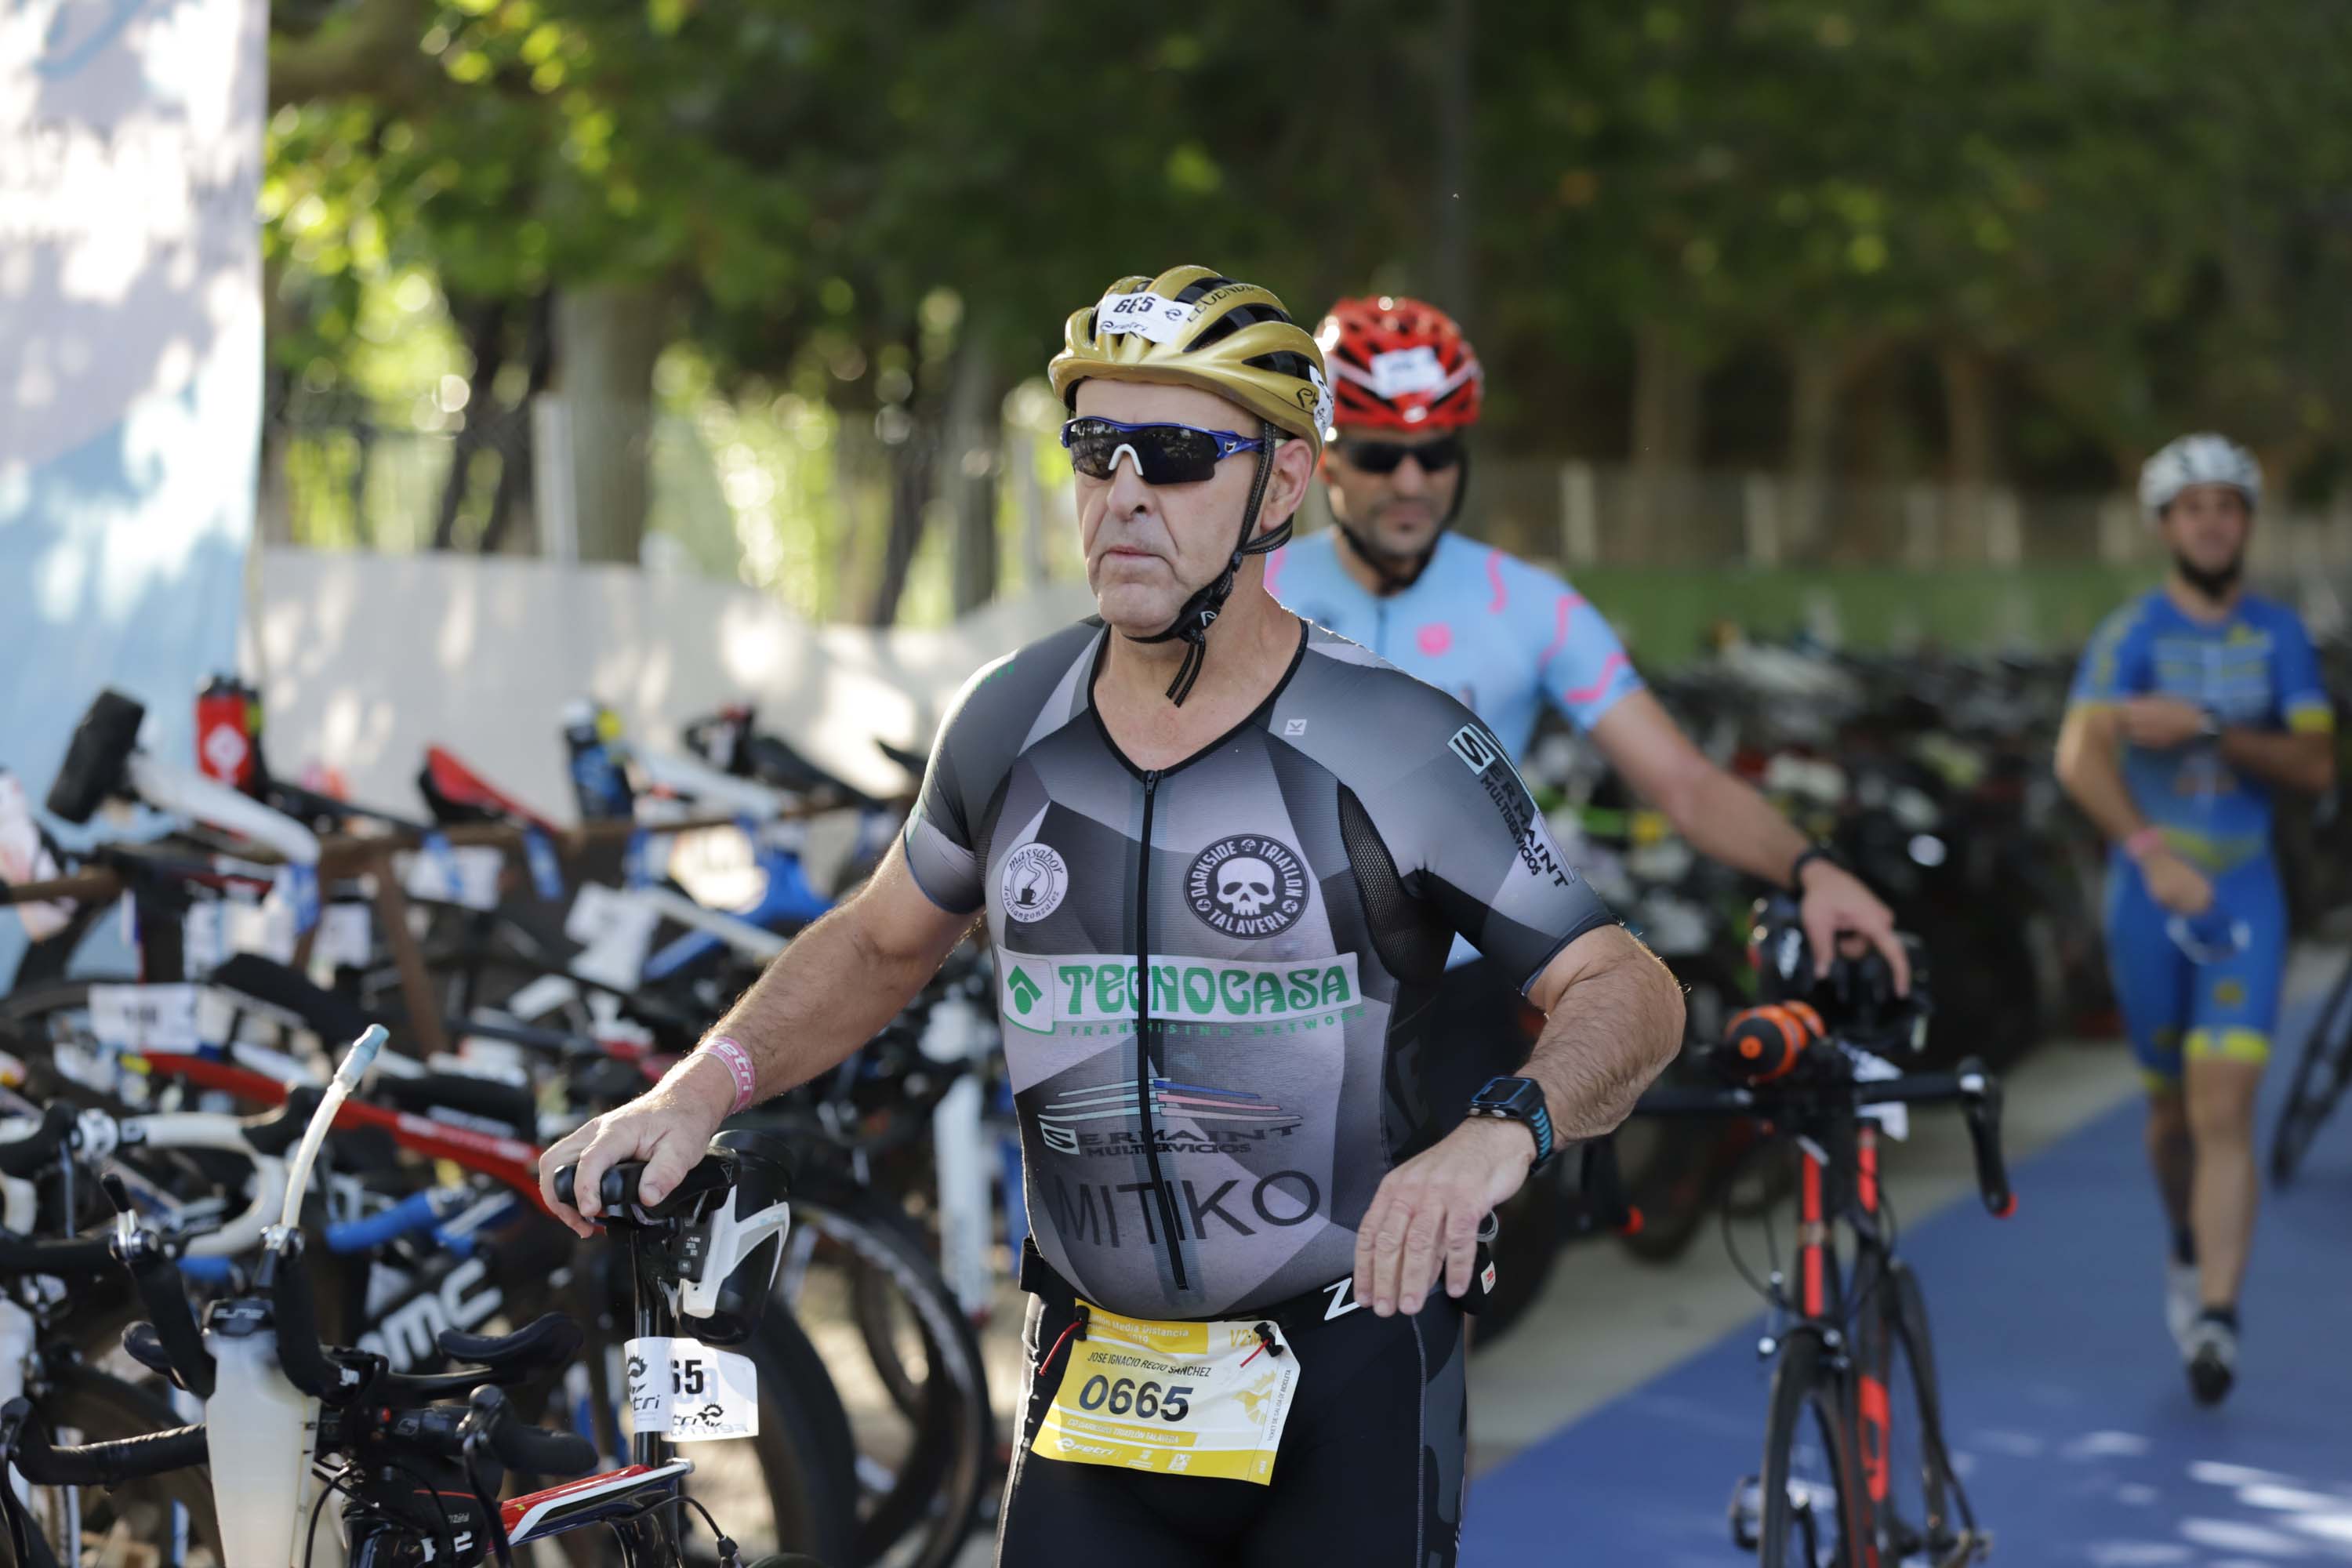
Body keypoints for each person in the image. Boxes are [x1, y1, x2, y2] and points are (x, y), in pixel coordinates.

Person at [539, 266, 1686, 1566]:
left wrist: (1505, 1131)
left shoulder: (1397, 741)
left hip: (1348, 1368)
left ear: (1285, 488)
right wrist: (699, 1089)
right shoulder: (1009, 720)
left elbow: (1628, 988)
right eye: (1097, 450)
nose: (1126, 491)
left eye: (1181, 455)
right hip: (1096, 1392)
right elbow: (875, 943)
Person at [1266, 294, 1905, 1120]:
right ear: (1327, 458)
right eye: (1384, 454)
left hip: (1451, 990)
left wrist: (1814, 870)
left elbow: (1680, 780)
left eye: (1438, 453)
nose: (1412, 482)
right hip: (1263, 989)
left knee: (1460, 1243)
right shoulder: (1260, 582)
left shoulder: (1530, 603)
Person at [2056, 433, 2335, 1406]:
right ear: (2166, 525)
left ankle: (2217, 1311)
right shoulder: (2130, 632)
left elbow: (2317, 765)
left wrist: (2211, 727)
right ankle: (2186, 1240)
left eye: (2230, 505)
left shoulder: (2280, 636)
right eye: (2194, 507)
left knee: (2225, 1109)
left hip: (2246, 894)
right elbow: (2079, 758)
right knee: (2170, 1113)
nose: (2214, 521)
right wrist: (2150, 851)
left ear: (2247, 523)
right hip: (2150, 896)